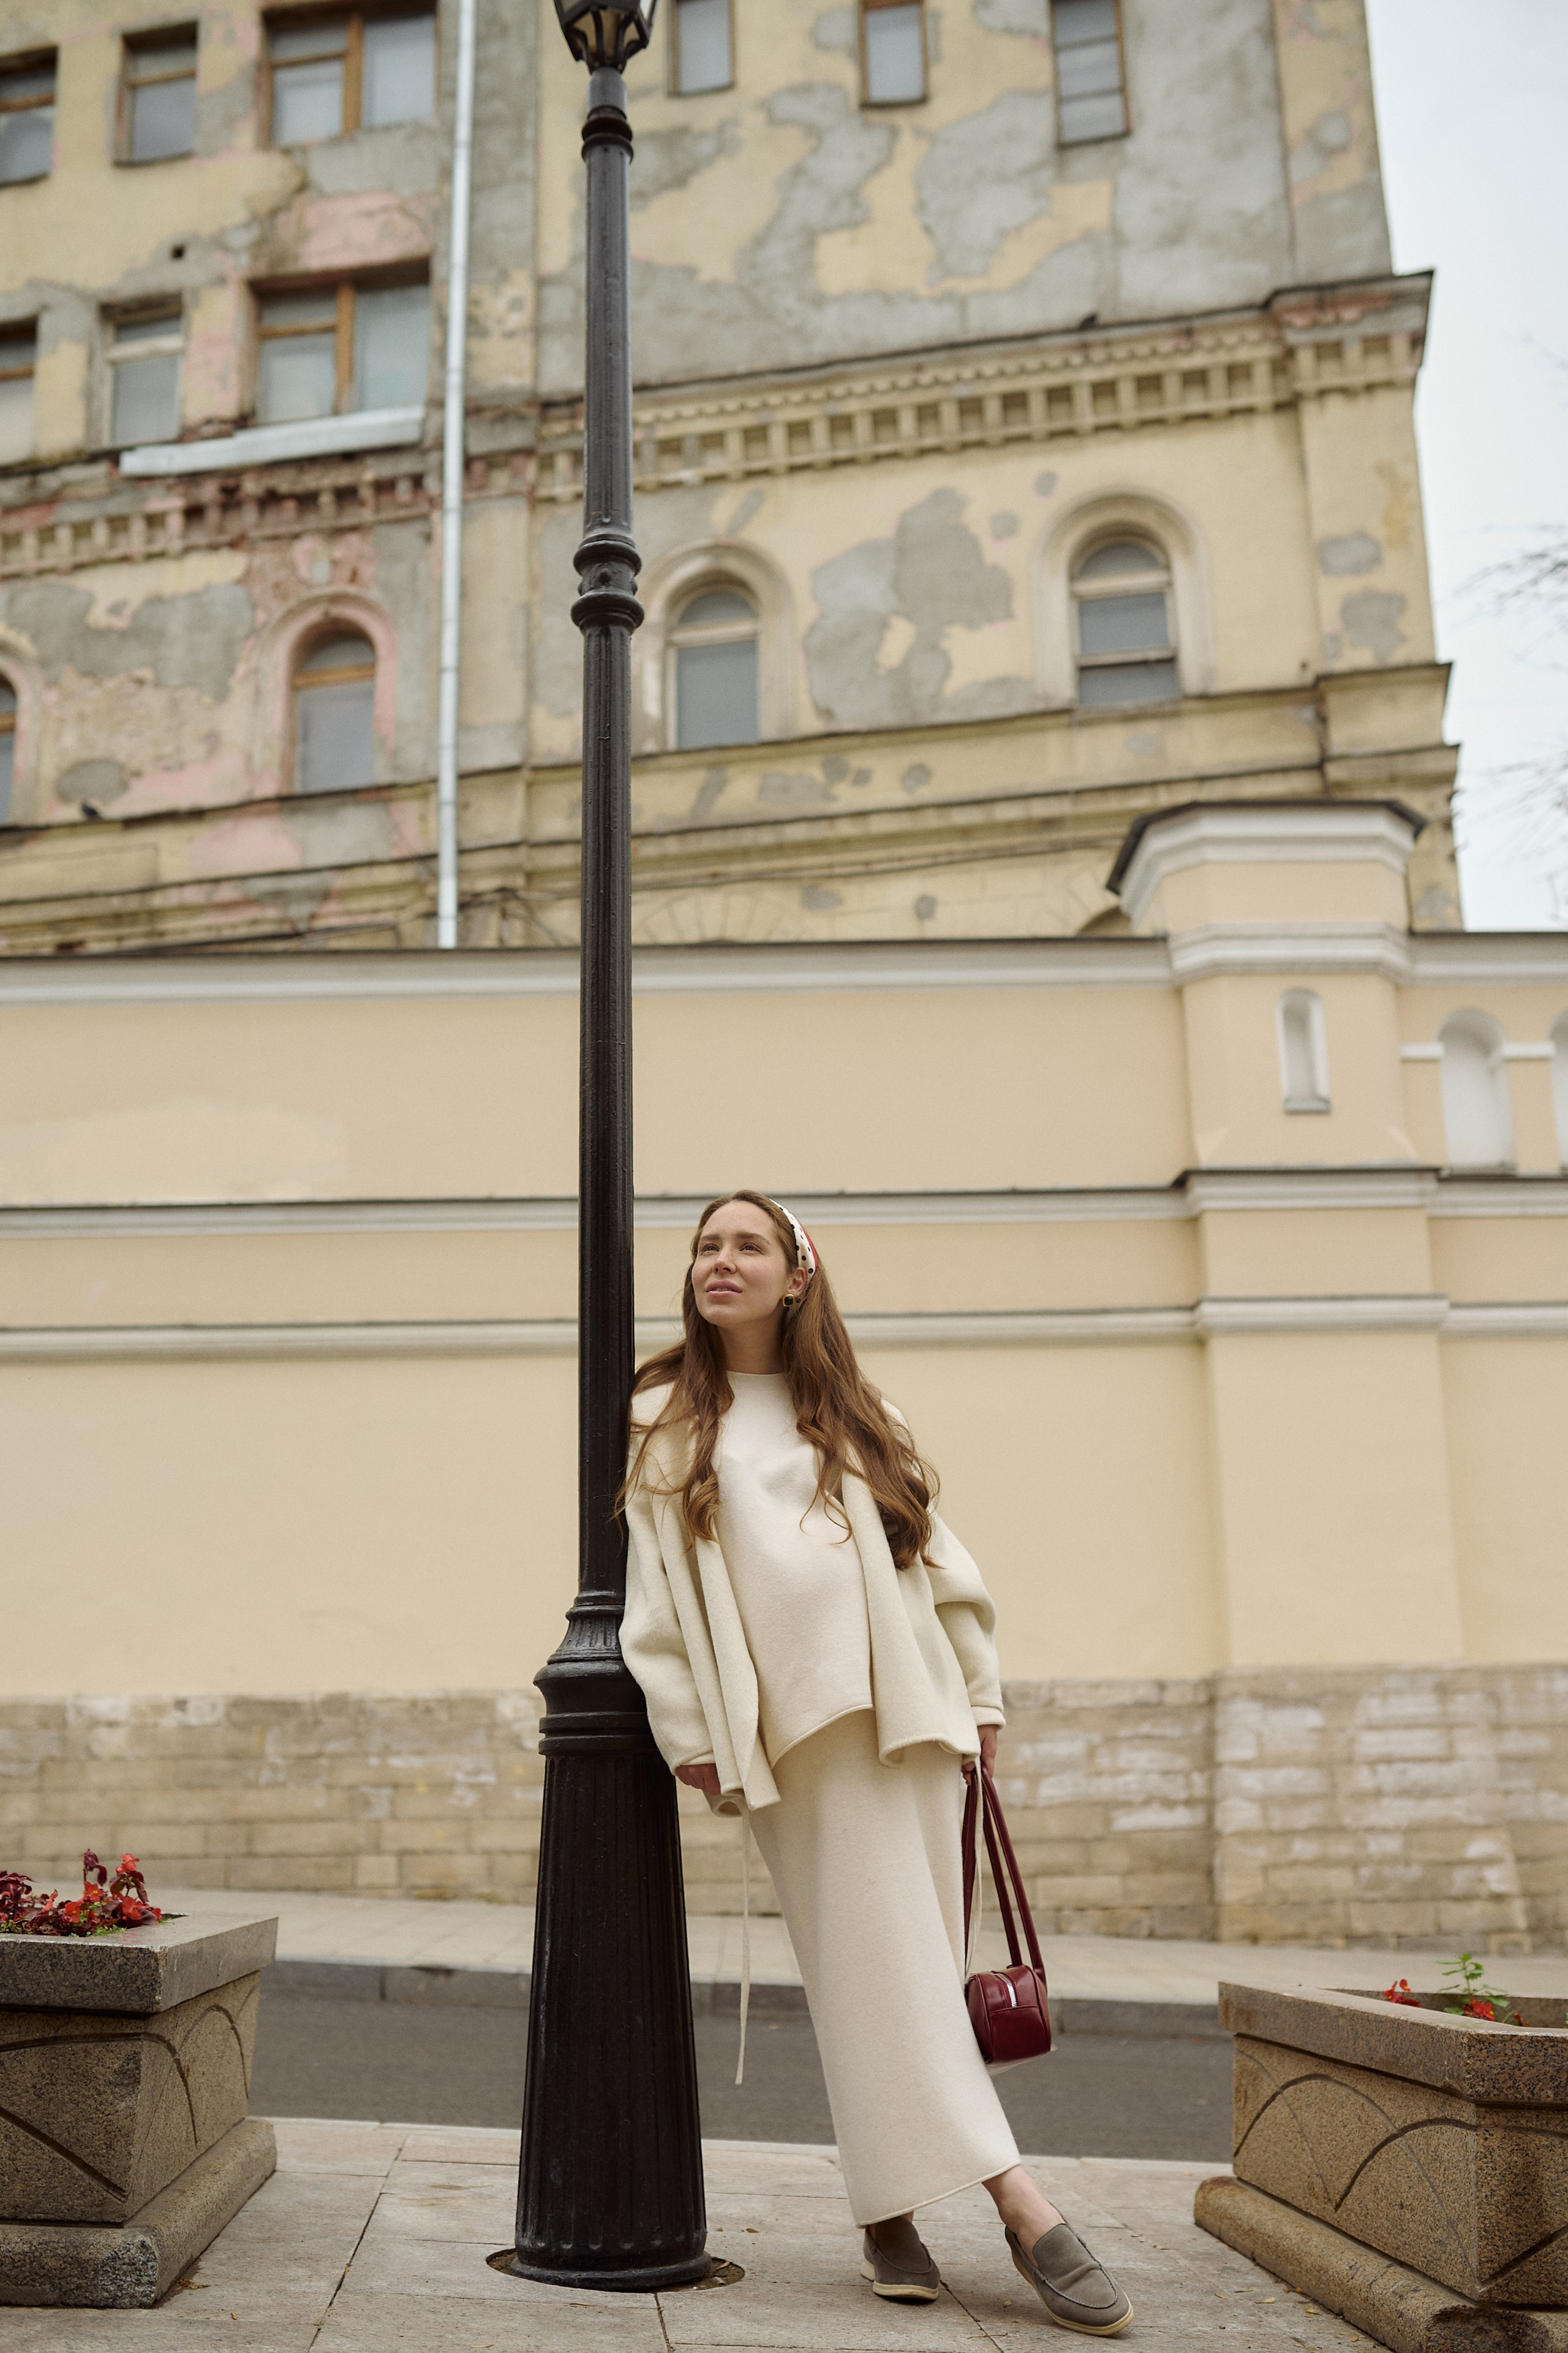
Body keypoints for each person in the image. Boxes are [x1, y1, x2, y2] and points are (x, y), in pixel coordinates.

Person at [620, 1191, 1133, 2335]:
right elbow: (652, 1599)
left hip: (915, 1718)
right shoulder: (662, 1413)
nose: (721, 1260)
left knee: (891, 1972)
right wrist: (689, 1731)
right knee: (885, 1967)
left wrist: (982, 1692)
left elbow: (942, 1566)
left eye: (748, 1244)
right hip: (796, 1737)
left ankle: (888, 2212)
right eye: (707, 1244)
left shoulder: (859, 1410)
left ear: (797, 1275)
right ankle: (1024, 2203)